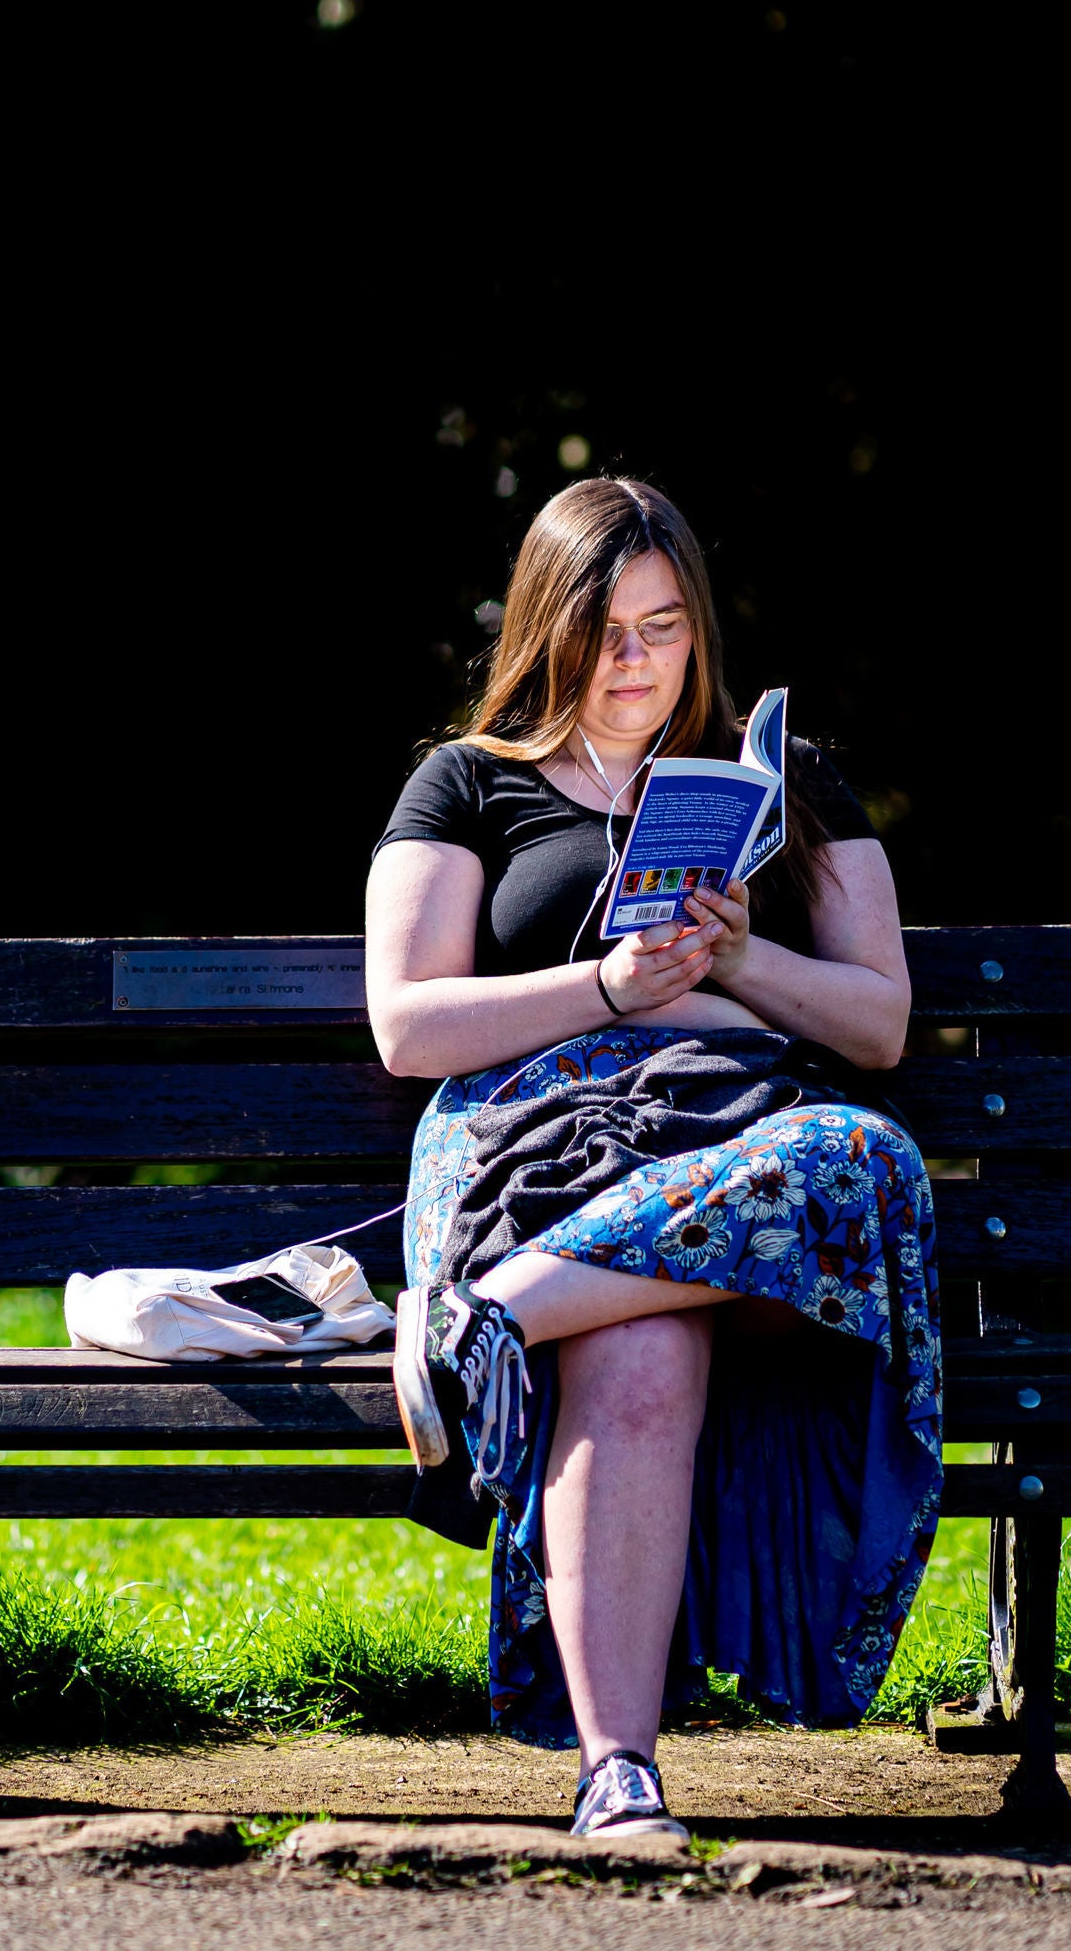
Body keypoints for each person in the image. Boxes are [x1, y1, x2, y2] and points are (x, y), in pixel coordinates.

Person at [365, 476, 935, 1845]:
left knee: (863, 1156)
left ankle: (498, 1313)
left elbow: (879, 1020)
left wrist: (740, 955)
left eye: (665, 628)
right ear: (547, 629)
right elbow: (407, 1023)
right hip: (542, 1146)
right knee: (643, 1345)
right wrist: (613, 988)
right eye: (606, 631)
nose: (636, 663)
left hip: (737, 1147)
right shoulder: (469, 783)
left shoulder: (779, 778)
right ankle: (619, 1771)